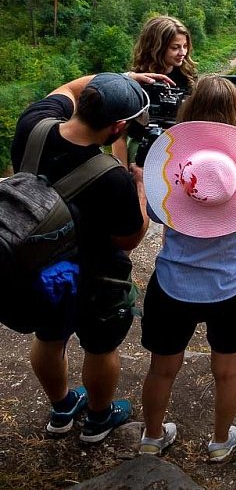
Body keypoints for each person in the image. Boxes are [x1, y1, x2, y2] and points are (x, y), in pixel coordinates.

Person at [10, 73, 156, 443]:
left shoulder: (33, 126)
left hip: (36, 270)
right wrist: (139, 186)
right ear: (118, 126)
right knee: (100, 347)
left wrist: (118, 79)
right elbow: (129, 239)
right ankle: (98, 418)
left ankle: (61, 409)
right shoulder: (112, 179)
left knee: (49, 337)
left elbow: (67, 89)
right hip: (95, 279)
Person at [136, 76, 236, 461]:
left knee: (161, 368)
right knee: (227, 370)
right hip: (230, 284)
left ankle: (151, 436)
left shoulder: (172, 153)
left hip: (173, 282)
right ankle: (218, 441)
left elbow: (156, 214)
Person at [112, 15, 197, 165]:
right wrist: (124, 174)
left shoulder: (187, 77)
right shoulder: (137, 82)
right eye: (175, 47)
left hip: (179, 151)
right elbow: (119, 137)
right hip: (142, 153)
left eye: (185, 46)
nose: (182, 52)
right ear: (156, 48)